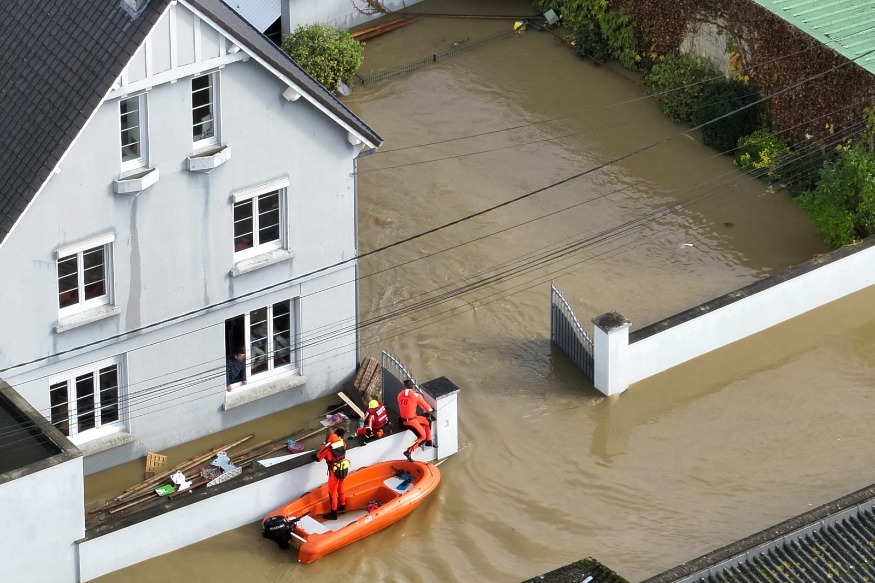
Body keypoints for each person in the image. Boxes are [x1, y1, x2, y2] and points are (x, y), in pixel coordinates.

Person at [312, 428, 350, 520]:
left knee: (332, 493)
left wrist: (315, 454)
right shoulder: (342, 443)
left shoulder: (327, 448)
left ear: (327, 436)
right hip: (343, 469)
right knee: (341, 488)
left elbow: (318, 458)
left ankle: (333, 513)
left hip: (334, 472)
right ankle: (342, 505)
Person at [397, 379, 434, 462]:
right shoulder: (416, 396)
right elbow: (427, 408)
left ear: (404, 386)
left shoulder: (399, 395)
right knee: (422, 437)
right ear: (412, 386)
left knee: (427, 422)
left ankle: (429, 441)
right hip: (411, 421)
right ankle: (409, 451)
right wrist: (431, 409)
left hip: (406, 419)